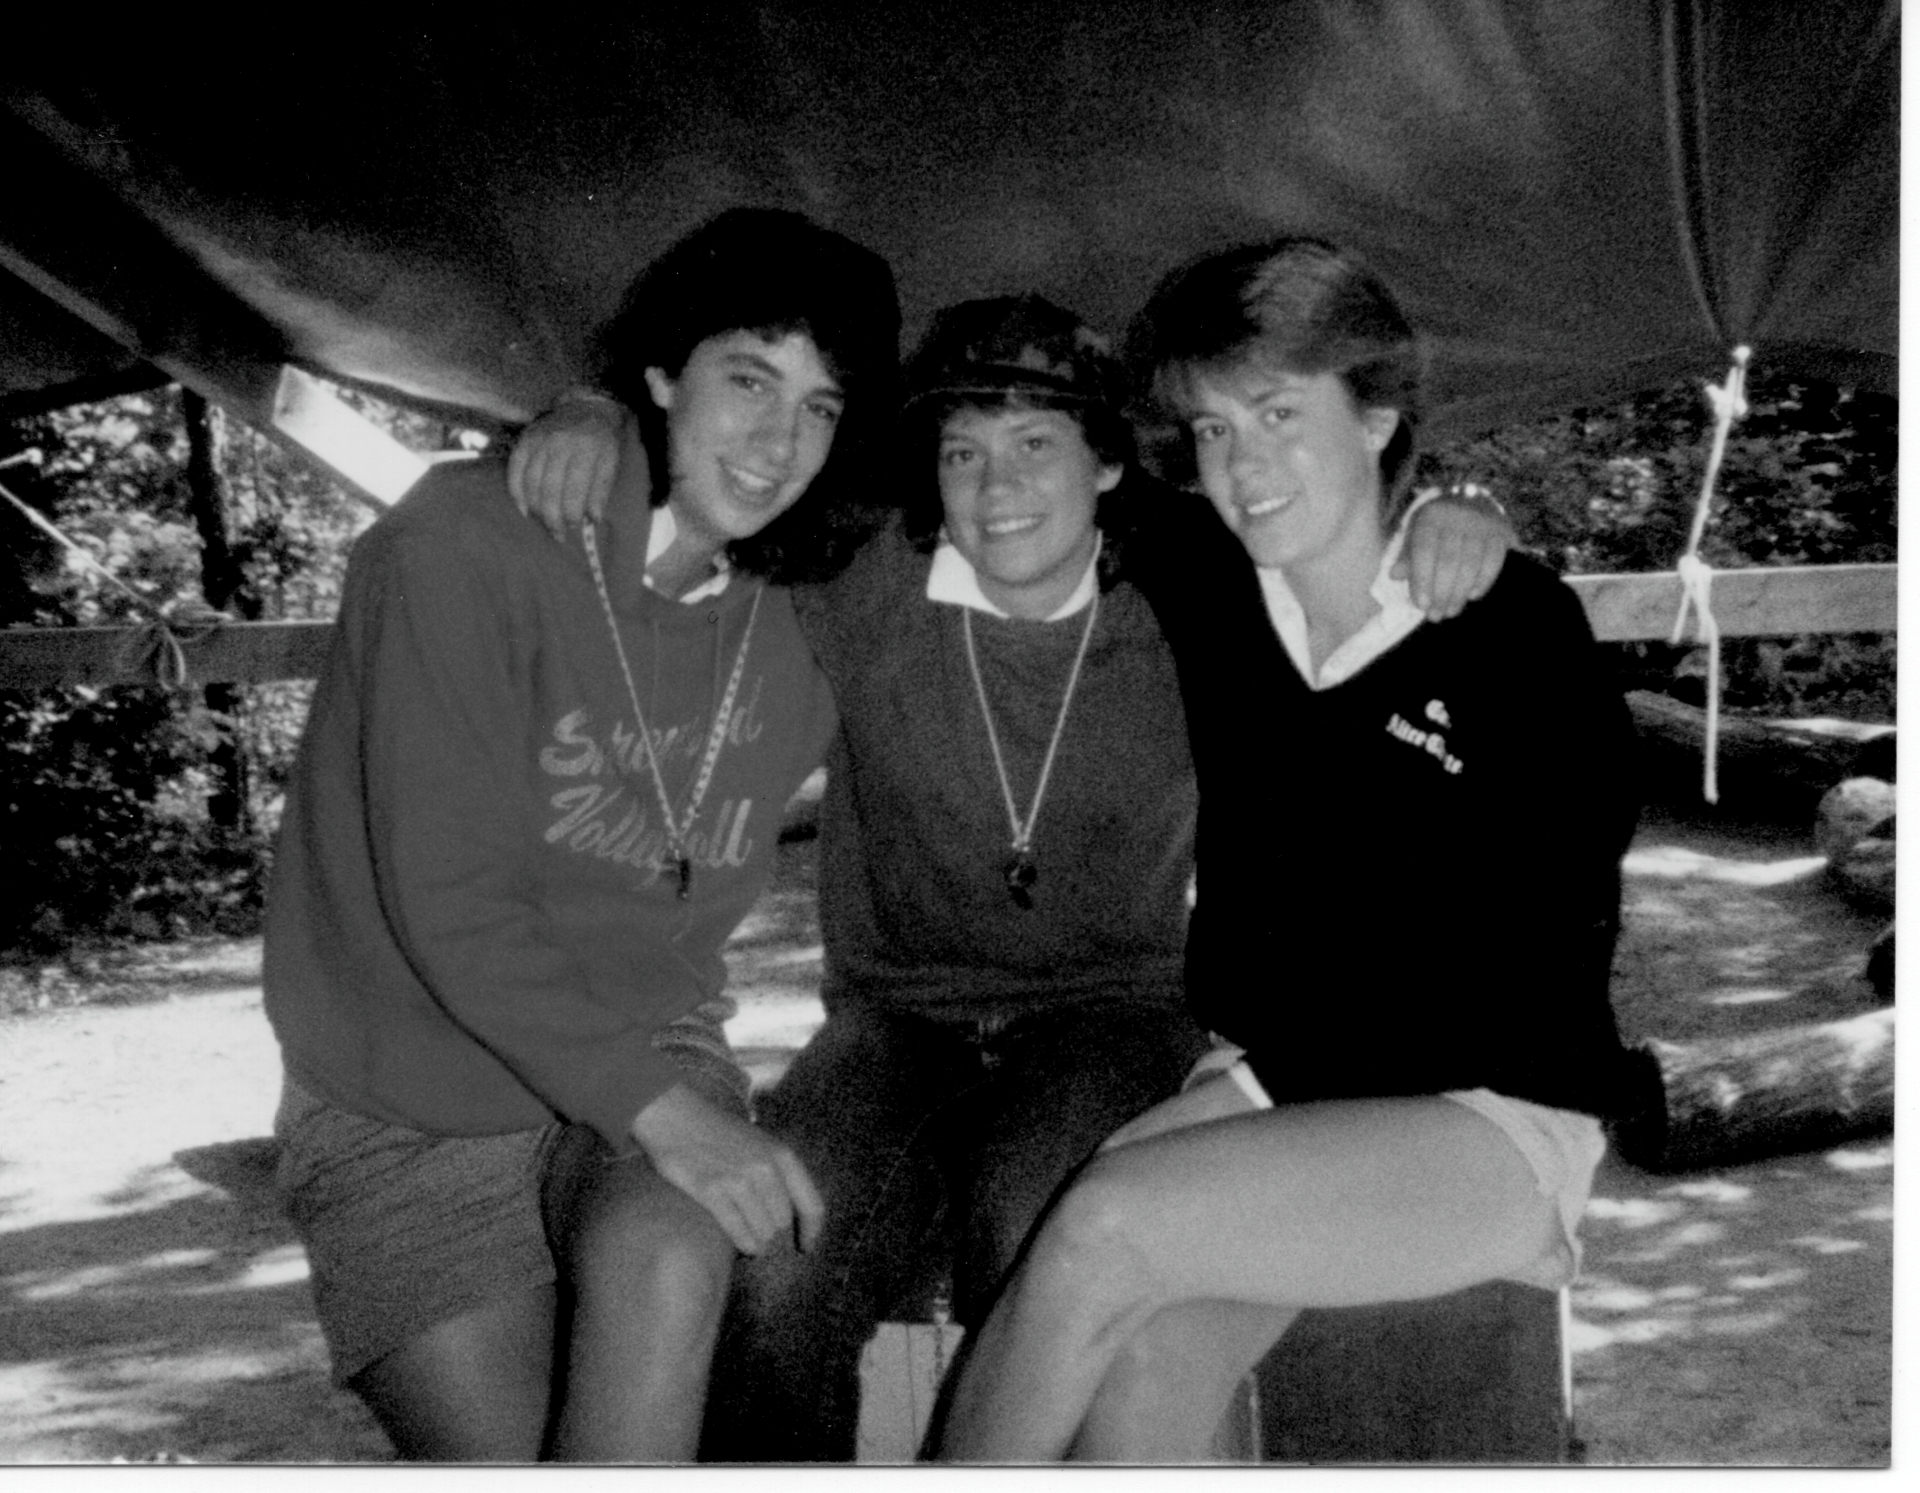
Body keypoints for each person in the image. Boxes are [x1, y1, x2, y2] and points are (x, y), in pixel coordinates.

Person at [509, 288, 1517, 1461]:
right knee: (776, 1268)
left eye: (1037, 444)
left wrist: (1459, 505)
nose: (997, 489)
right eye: (963, 452)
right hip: (894, 1021)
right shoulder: (864, 582)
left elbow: (1343, 521)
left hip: (1114, 1009)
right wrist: (591, 410)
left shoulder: (1197, 594)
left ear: (1104, 466)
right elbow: (720, 469)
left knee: (1038, 1239)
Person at [929, 236, 1641, 1462]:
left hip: (1490, 1113)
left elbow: (1548, 961)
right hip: (1282, 1083)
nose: (1243, 465)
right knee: (1139, 1341)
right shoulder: (1209, 572)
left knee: (1102, 1223)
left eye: (1276, 412)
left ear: (1376, 415)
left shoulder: (1513, 633)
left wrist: (1466, 507)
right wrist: (595, 417)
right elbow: (1031, 446)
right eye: (1211, 430)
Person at [261, 207, 899, 1461]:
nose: (778, 441)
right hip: (408, 1095)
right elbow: (448, 901)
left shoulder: (803, 614)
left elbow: (1041, 536)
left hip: (644, 1048)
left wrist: (1404, 531)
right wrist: (580, 409)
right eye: (749, 378)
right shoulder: (456, 546)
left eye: (820, 406)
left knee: (671, 1261)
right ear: (662, 373)